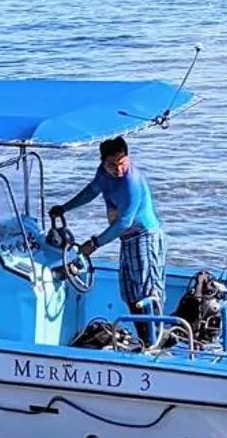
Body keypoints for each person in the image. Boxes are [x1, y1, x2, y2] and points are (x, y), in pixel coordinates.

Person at [51, 136, 165, 323]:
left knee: (147, 292)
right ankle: (145, 339)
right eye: (112, 164)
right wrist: (64, 208)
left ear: (127, 158)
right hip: (126, 239)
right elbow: (91, 191)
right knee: (129, 293)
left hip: (144, 236)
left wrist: (94, 244)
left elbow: (124, 222)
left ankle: (157, 338)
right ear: (102, 162)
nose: (118, 170)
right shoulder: (104, 174)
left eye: (122, 163)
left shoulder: (131, 182)